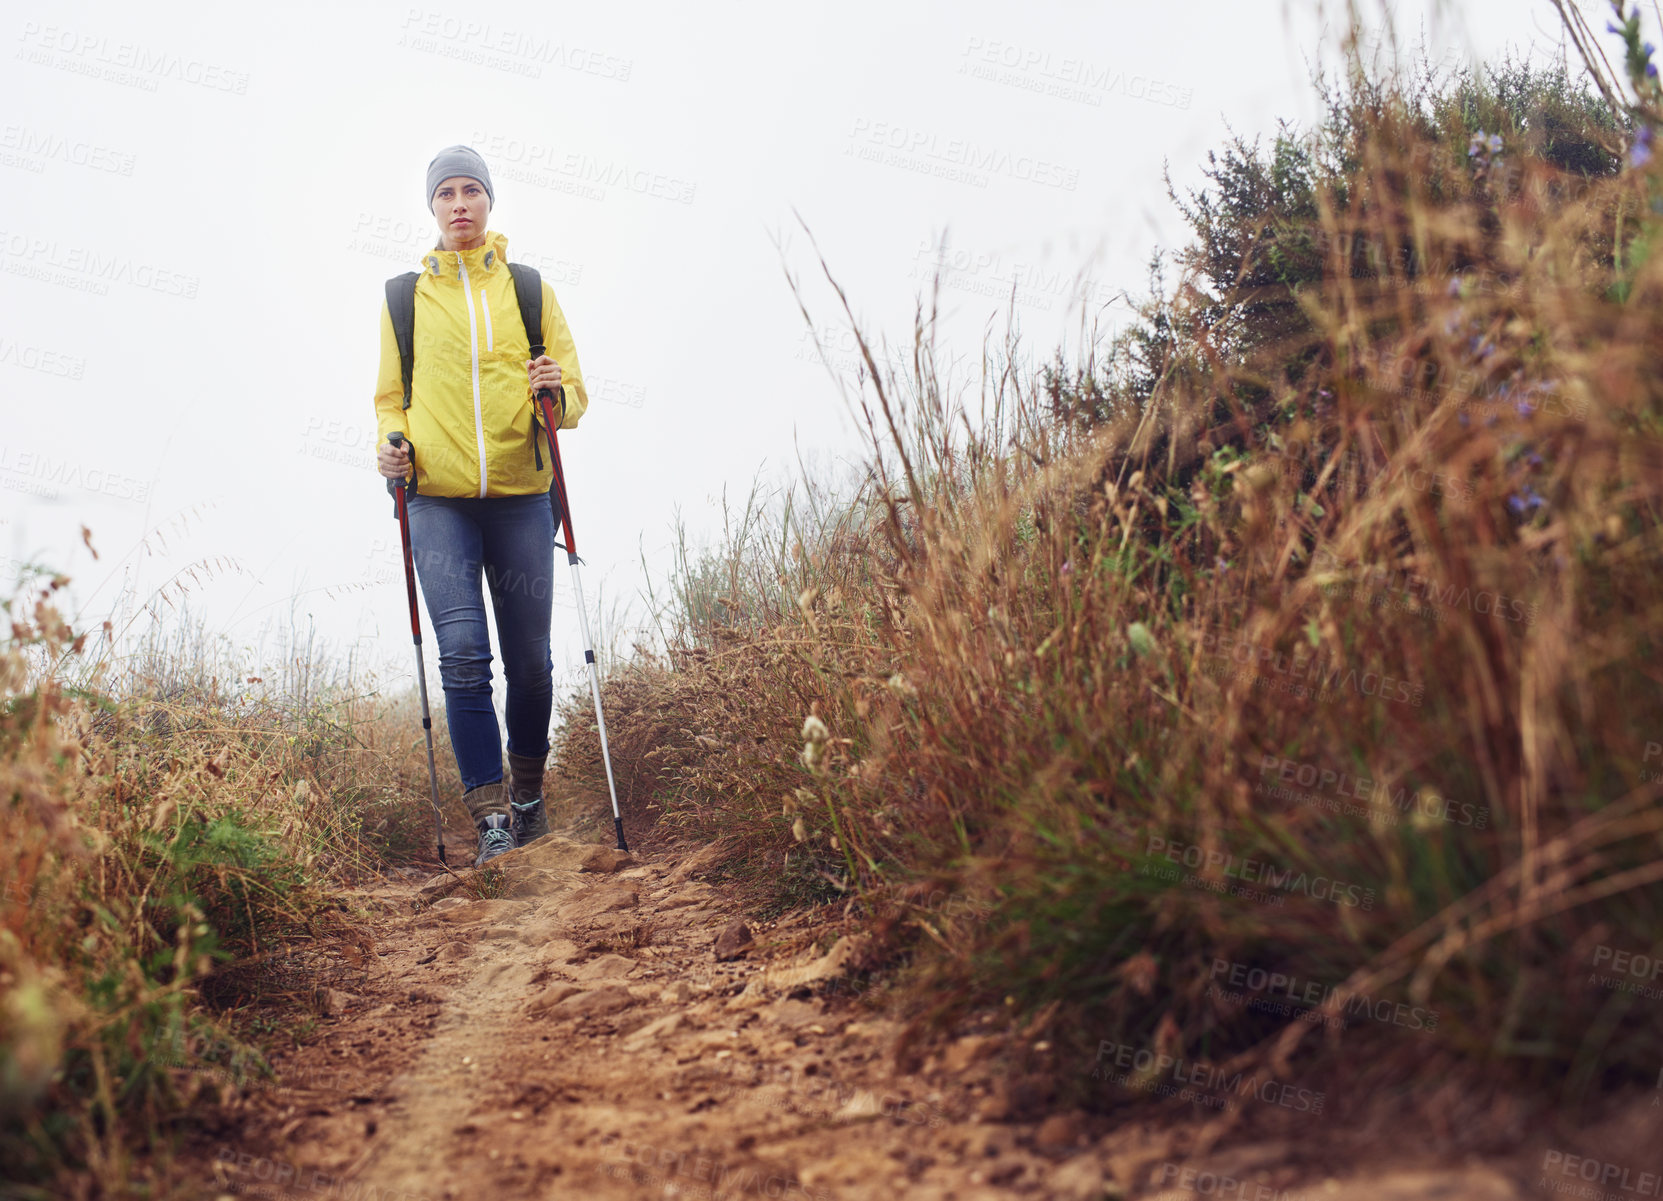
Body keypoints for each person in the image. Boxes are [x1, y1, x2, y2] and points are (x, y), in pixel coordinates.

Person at [372, 144, 589, 867]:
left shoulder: (528, 290)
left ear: (489, 201)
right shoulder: (404, 298)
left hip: (523, 496)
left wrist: (555, 389)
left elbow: (574, 399)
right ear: (431, 207)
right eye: (446, 193)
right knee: (464, 657)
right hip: (436, 503)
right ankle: (490, 815)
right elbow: (388, 401)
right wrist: (391, 445)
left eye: (471, 190)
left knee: (530, 663)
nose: (459, 203)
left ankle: (528, 797)